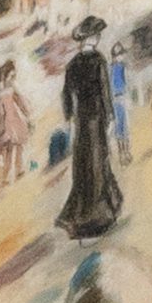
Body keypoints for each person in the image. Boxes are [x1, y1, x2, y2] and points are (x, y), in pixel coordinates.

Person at [52, 20, 129, 240]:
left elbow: (66, 94)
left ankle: (86, 210)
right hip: (97, 119)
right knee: (98, 162)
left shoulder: (73, 64)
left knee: (84, 163)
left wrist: (68, 117)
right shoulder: (98, 60)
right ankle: (98, 216)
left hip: (82, 121)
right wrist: (112, 117)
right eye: (96, 35)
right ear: (90, 38)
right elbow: (105, 91)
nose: (98, 38)